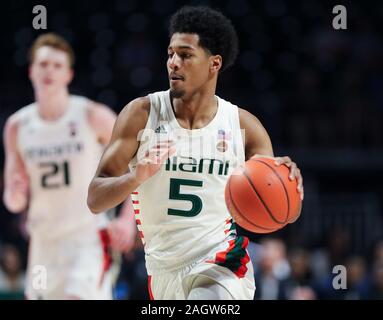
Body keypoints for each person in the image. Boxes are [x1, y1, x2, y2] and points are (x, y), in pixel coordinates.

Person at [88, 6, 304, 300]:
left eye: (185, 55)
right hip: (162, 273)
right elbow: (95, 198)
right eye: (170, 54)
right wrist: (135, 177)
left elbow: (280, 209)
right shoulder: (141, 114)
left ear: (214, 64)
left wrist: (289, 182)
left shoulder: (244, 127)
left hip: (222, 263)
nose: (173, 63)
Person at [3, 33, 136, 300]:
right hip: (42, 244)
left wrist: (127, 220)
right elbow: (13, 201)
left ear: (68, 74)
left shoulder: (92, 116)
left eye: (57, 65)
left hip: (87, 241)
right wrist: (16, 194)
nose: (49, 71)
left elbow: (141, 164)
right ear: (31, 71)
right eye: (43, 64)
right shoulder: (17, 126)